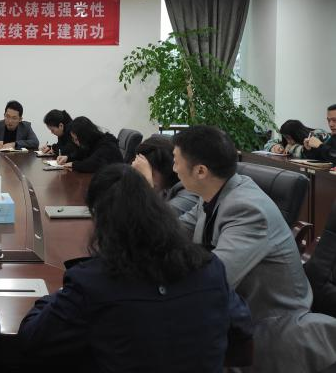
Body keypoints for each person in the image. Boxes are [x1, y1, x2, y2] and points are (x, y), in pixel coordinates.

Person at [17, 164, 252, 372]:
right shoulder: (209, 268)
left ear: (100, 219)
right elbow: (241, 328)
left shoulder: (91, 283)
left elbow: (33, 338)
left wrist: (56, 296)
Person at [175, 125, 336, 372]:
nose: (174, 169)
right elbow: (175, 231)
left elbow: (213, 280)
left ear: (200, 171)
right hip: (234, 312)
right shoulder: (216, 192)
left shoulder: (247, 209)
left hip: (268, 329)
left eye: (176, 161)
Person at [131, 135, 199, 216]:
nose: (146, 176)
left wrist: (147, 186)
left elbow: (155, 220)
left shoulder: (189, 193)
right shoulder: (164, 188)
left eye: (149, 172)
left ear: (166, 169)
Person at [56, 116, 122, 173]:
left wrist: (73, 164)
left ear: (85, 136)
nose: (75, 142)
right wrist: (67, 158)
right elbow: (81, 154)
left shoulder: (107, 144)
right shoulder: (91, 143)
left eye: (76, 139)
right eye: (73, 139)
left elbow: (92, 164)